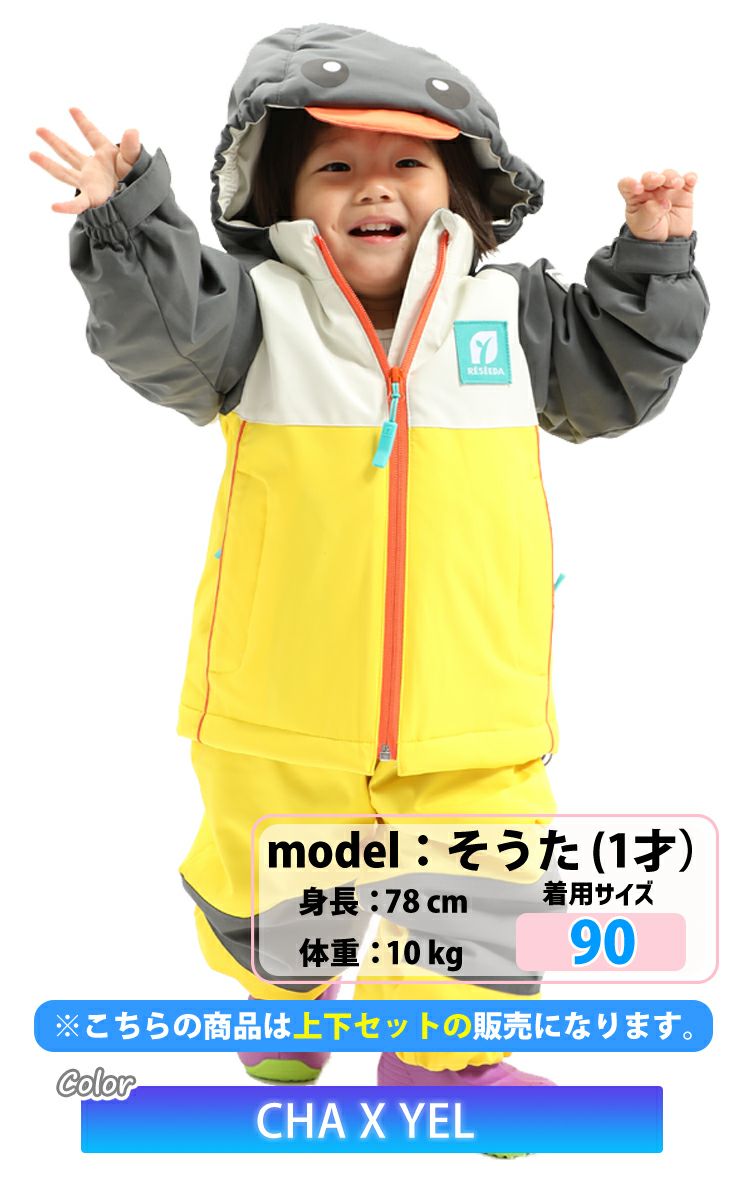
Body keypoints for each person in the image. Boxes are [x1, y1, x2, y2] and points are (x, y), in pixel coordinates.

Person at [30, 21, 709, 1132]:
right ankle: (285, 1002)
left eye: (405, 162)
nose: (372, 186)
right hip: (275, 703)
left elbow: (612, 385)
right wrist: (126, 221)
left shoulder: (514, 315)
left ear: (459, 190)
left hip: (473, 708)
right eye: (335, 166)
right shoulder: (253, 315)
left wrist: (649, 265)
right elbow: (159, 336)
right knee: (270, 893)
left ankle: (443, 1066)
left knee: (484, 890)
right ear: (284, 197)